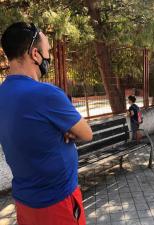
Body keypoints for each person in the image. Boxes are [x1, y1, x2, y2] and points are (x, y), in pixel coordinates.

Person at [0, 22, 93, 225]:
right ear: (35, 54)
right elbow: (87, 134)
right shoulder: (46, 94)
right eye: (48, 51)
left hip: (25, 203)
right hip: (58, 203)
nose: (49, 57)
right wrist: (66, 131)